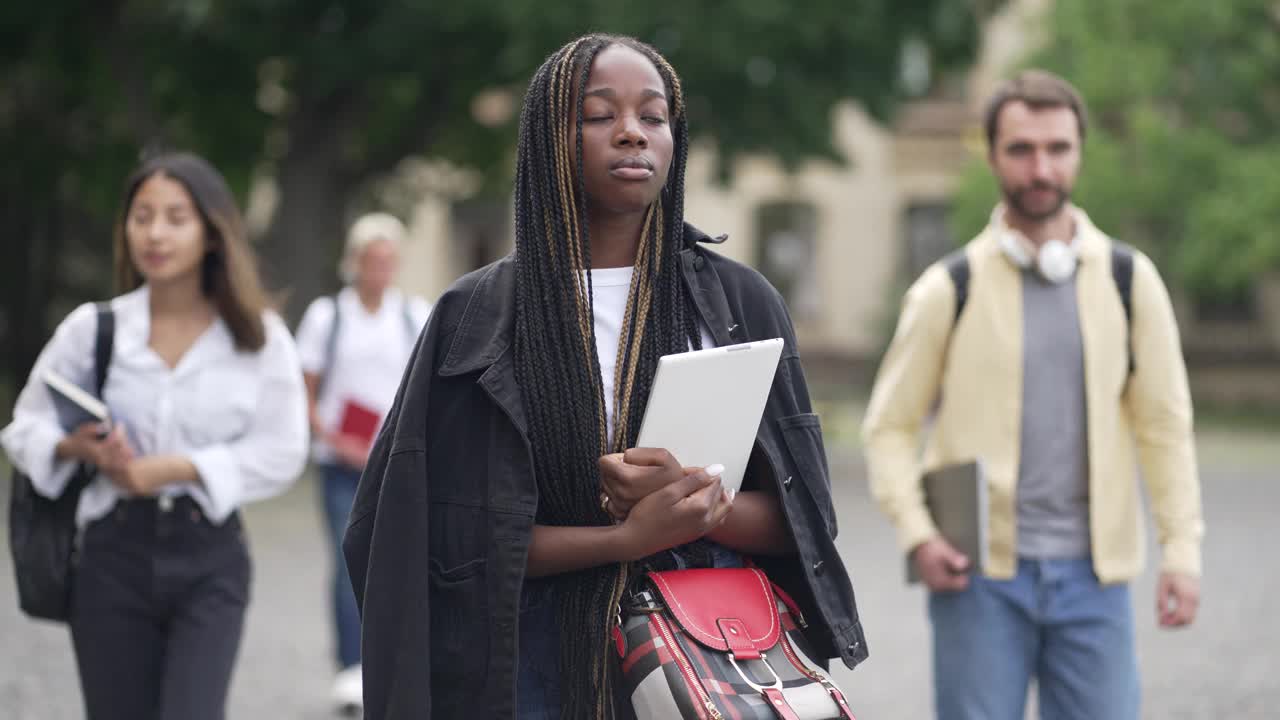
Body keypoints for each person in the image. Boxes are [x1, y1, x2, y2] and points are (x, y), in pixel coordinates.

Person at [342, 34, 868, 719]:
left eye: (653, 117)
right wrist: (625, 540)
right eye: (599, 115)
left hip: (703, 661)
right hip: (528, 669)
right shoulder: (476, 318)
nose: (631, 133)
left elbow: (803, 520)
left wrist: (690, 503)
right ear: (547, 139)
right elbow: (446, 541)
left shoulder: (740, 305)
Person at [861, 70, 1203, 720]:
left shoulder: (1132, 281)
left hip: (1095, 579)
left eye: (1057, 148)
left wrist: (1181, 553)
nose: (1040, 167)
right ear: (990, 156)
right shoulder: (947, 288)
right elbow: (890, 427)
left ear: (1079, 152)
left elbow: (1165, 427)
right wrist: (918, 533)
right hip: (979, 577)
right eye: (1021, 149)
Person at [0, 151, 309, 719]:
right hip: (109, 556)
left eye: (175, 217)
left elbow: (283, 449)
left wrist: (174, 468)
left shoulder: (259, 337)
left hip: (210, 555)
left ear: (212, 233)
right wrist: (76, 447)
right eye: (141, 216)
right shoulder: (95, 329)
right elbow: (25, 427)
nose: (155, 233)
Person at [293, 212, 431, 712]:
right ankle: (350, 666)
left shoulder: (414, 316)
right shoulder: (327, 317)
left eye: (388, 261)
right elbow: (303, 392)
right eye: (371, 260)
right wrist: (332, 437)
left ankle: (387, 663)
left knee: (393, 563)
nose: (380, 269)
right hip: (339, 463)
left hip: (393, 463)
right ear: (354, 262)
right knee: (348, 560)